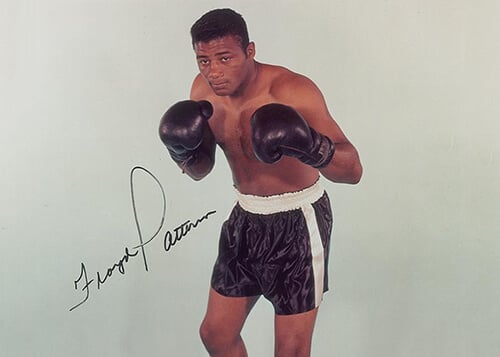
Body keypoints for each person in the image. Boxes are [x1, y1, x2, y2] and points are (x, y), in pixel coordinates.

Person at [159, 8, 362, 357]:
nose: (214, 72)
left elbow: (353, 171)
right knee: (216, 334)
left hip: (298, 221)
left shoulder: (292, 90)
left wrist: (311, 145)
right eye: (203, 61)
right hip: (246, 218)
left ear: (250, 51)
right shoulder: (202, 92)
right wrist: (182, 154)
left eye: (225, 58)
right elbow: (200, 170)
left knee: (291, 350)